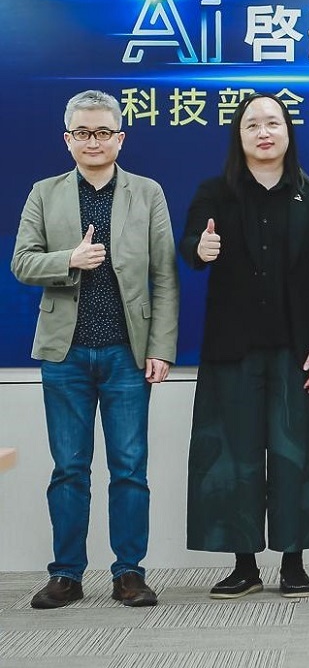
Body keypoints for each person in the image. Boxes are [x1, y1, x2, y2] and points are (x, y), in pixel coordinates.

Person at [12, 90, 179, 609]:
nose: (93, 141)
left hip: (127, 354)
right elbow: (21, 262)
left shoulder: (147, 192)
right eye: (83, 133)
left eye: (103, 132)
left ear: (120, 138)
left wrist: (162, 348)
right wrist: (70, 258)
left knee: (129, 467)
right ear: (68, 140)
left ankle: (129, 573)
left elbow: (165, 277)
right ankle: (66, 573)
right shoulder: (45, 193)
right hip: (65, 354)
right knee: (69, 468)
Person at [181, 93, 309, 600]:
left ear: (288, 132)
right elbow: (190, 246)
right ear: (240, 135)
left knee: (295, 455)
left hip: (296, 349)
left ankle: (293, 562)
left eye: (273, 122)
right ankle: (244, 563)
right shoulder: (215, 192)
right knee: (235, 456)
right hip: (233, 348)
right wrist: (199, 249)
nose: (264, 131)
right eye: (252, 124)